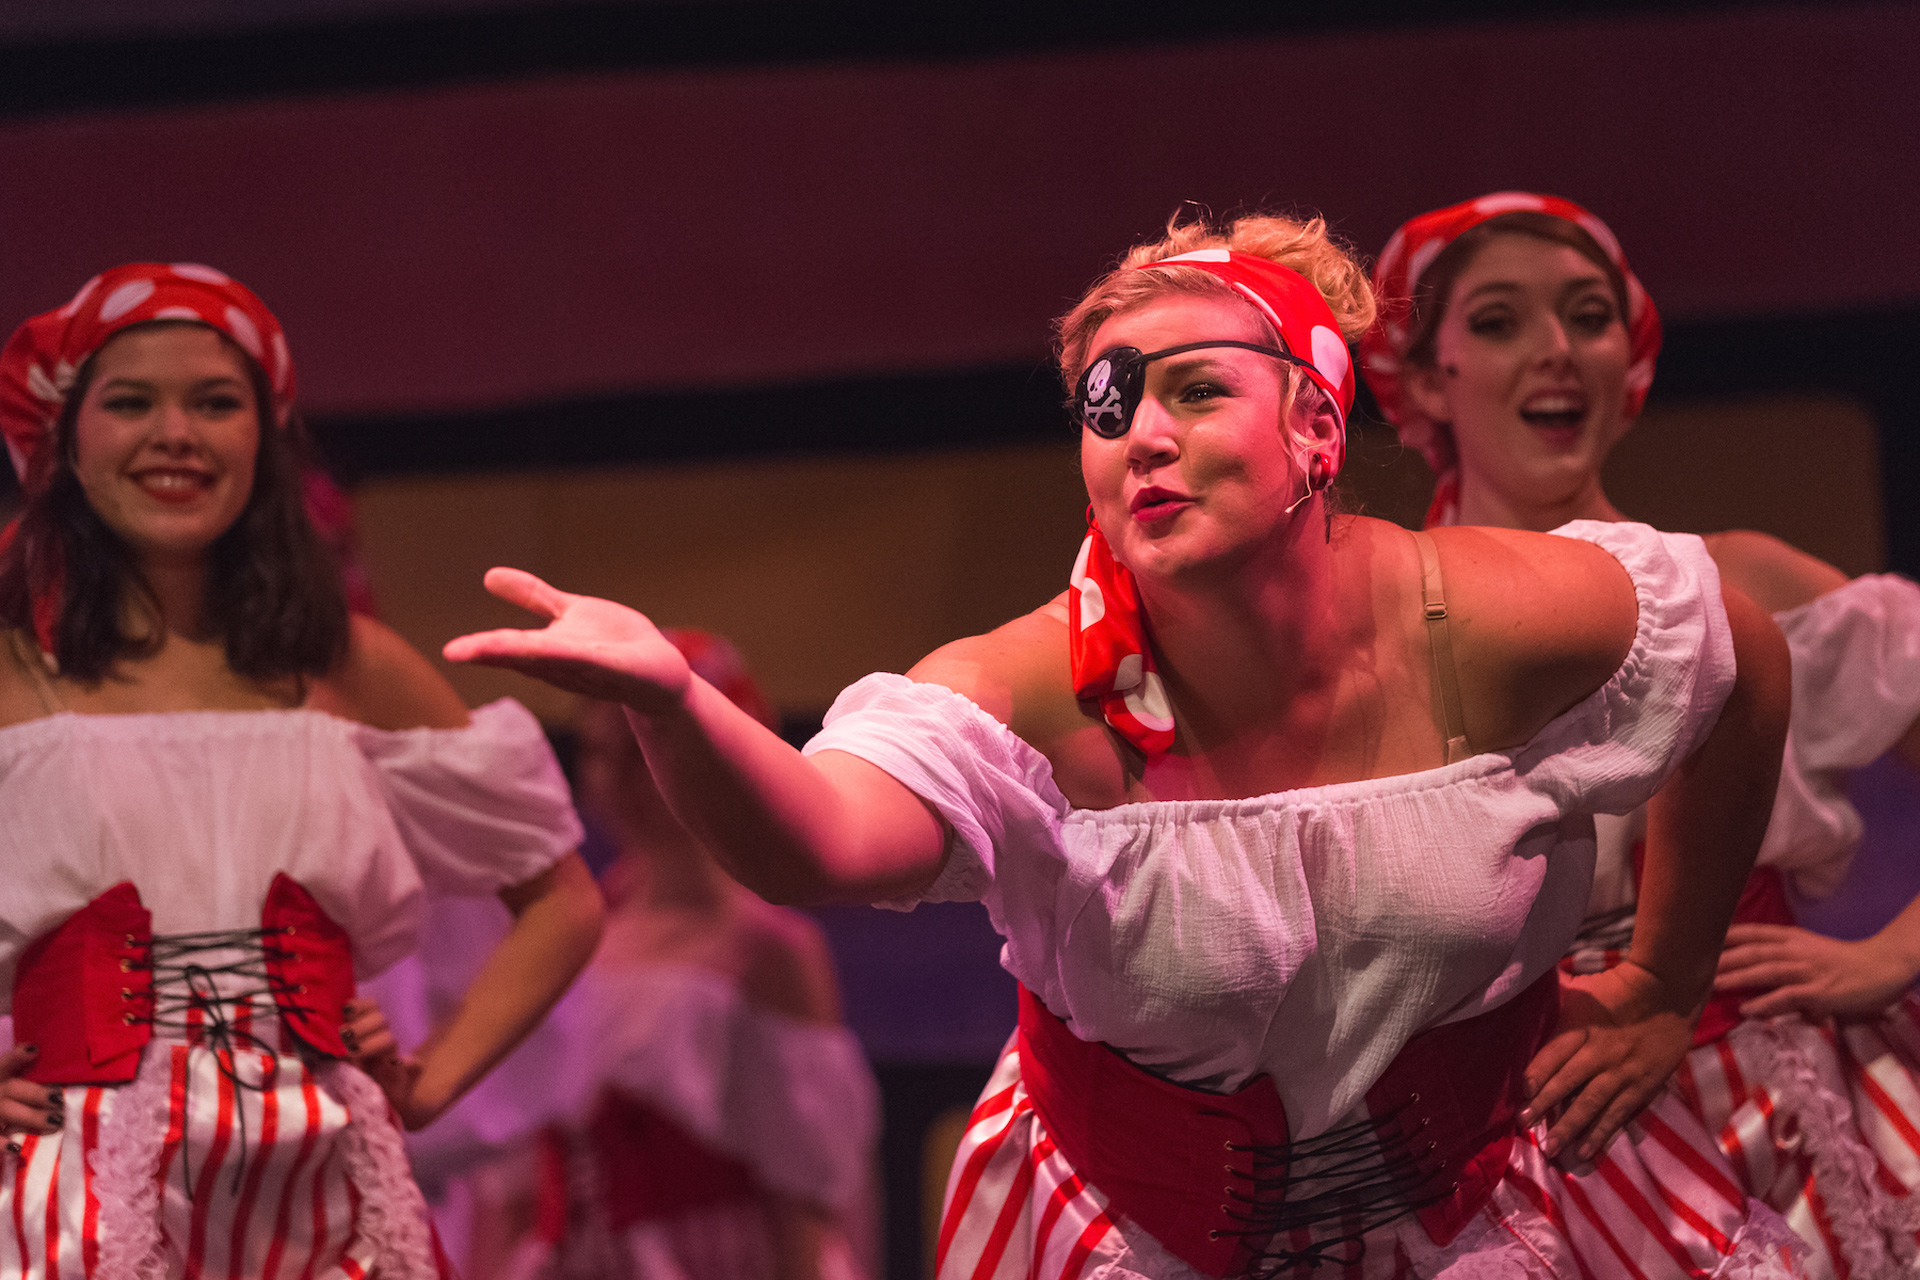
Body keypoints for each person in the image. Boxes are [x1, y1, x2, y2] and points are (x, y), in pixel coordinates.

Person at [443, 212, 1800, 1277]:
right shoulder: (1037, 687)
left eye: (1197, 391)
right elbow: (820, 843)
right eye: (1108, 408)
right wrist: (679, 709)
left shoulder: (1476, 618)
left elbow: (1741, 661)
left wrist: (1665, 980)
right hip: (1136, 1240)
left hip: (1464, 1224)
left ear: (1317, 428)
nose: (1143, 433)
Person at [0, 262, 604, 1279]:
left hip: (324, 1172)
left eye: (216, 402)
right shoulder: (13, 656)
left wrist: (432, 1075)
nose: (176, 434)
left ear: (265, 439)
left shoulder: (346, 658)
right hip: (81, 1181)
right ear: (69, 436)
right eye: (132, 401)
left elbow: (564, 901)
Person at [1362, 190, 1920, 1277]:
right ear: (1430, 380)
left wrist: (1893, 956)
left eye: (1588, 314)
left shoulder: (1742, 586)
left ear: (1631, 363)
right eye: (1499, 321)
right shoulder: (1380, 639)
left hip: (1763, 1119)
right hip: (1520, 1149)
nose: (1556, 350)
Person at [463, 630, 879, 1280]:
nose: (623, 778)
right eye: (604, 753)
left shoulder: (769, 950)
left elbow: (805, 1186)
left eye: (644, 750)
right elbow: (512, 1177)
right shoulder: (571, 931)